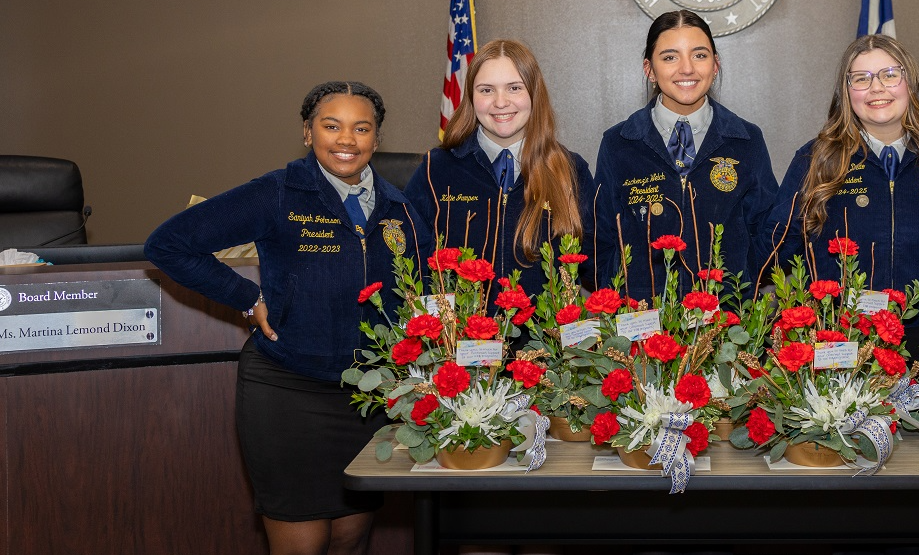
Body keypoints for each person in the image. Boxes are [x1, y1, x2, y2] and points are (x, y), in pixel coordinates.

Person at [145, 82, 433, 555]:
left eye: (361, 128)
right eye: (331, 125)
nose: (346, 140)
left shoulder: (399, 208)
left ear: (376, 140)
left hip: (366, 400)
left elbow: (422, 287)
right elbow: (167, 243)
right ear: (307, 132)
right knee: (302, 542)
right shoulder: (278, 192)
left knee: (350, 536)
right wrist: (246, 296)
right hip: (285, 390)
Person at [764, 34, 919, 353]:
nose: (877, 88)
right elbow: (778, 246)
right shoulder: (816, 160)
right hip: (841, 340)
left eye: (890, 75)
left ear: (910, 84)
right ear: (846, 92)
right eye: (861, 78)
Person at [590, 9, 777, 297]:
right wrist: (626, 297)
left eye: (699, 55)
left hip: (726, 322)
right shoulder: (618, 143)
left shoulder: (746, 140)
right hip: (643, 321)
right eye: (670, 57)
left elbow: (766, 233)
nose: (687, 68)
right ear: (649, 69)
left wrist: (741, 290)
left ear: (715, 65)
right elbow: (600, 238)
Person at [408, 39, 592, 296]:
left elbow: (595, 265)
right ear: (471, 97)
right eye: (486, 90)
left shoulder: (573, 170)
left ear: (534, 93)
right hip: (459, 334)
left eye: (514, 88)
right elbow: (410, 265)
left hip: (544, 335)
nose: (500, 102)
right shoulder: (435, 170)